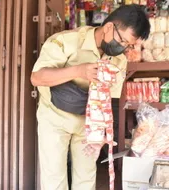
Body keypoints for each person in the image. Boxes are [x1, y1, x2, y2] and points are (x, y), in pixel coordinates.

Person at [31, 4, 150, 190]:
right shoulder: (66, 41)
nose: (123, 48)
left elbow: (111, 100)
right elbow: (37, 77)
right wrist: (79, 70)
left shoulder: (119, 60)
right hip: (54, 117)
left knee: (86, 178)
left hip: (90, 124)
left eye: (129, 45)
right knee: (53, 178)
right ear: (109, 27)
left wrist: (103, 133)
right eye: (123, 41)